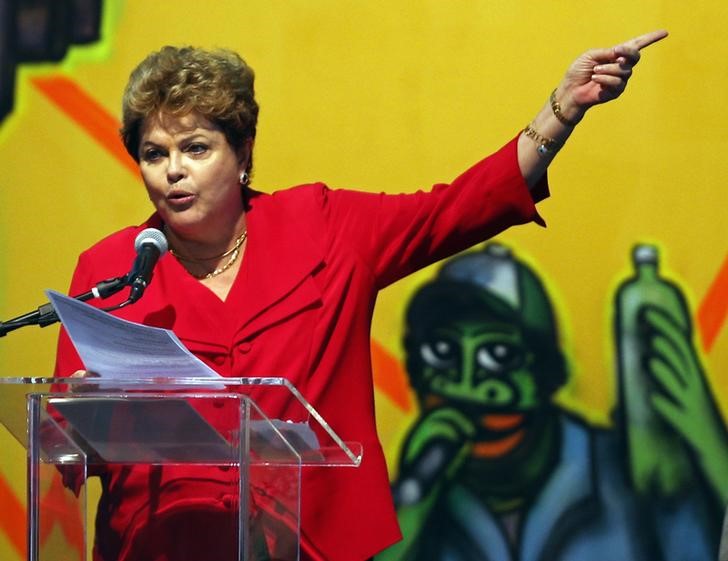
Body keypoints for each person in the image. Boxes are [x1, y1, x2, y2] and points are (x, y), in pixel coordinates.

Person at [53, 30, 668, 561]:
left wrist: (563, 108)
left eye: (195, 148)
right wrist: (79, 425)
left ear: (242, 154)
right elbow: (65, 444)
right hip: (159, 545)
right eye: (154, 154)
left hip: (312, 542)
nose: (173, 171)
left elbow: (455, 209)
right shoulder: (112, 269)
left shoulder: (322, 226)